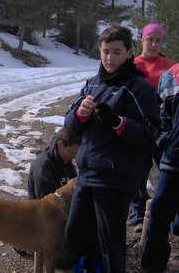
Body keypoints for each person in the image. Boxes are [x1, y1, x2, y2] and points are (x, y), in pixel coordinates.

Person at [64, 25, 161, 273]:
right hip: (86, 173)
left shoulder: (139, 88)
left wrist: (119, 122)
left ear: (130, 52)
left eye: (116, 52)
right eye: (105, 51)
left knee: (111, 243)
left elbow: (152, 134)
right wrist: (80, 113)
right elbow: (69, 126)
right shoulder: (92, 84)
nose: (109, 58)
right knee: (75, 232)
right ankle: (92, 267)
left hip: (116, 178)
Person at [130, 22, 175, 225]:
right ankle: (138, 211)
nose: (154, 44)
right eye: (150, 39)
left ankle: (168, 212)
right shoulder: (132, 65)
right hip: (139, 126)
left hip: (164, 129)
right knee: (137, 171)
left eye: (158, 40)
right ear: (142, 39)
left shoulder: (171, 67)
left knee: (167, 172)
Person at [140, 63, 179, 273]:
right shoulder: (171, 76)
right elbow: (163, 118)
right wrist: (164, 141)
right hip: (174, 161)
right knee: (159, 212)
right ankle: (153, 266)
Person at [27, 127, 81, 269]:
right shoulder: (43, 166)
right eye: (72, 151)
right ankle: (25, 245)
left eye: (76, 152)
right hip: (44, 221)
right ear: (60, 145)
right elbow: (47, 207)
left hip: (63, 215)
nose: (74, 156)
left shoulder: (65, 162)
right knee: (65, 259)